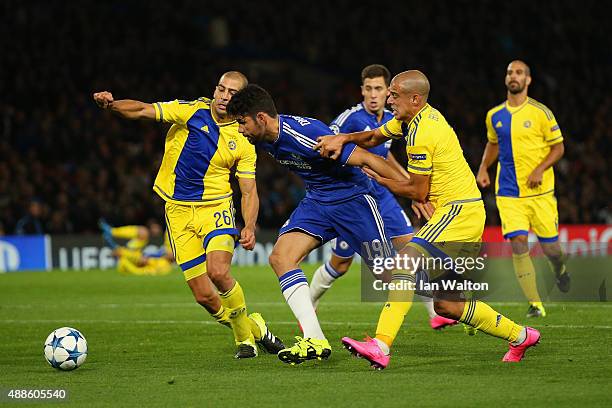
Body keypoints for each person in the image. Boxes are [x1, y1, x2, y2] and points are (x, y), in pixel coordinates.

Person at [315, 70, 540, 369]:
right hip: (462, 212)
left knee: (404, 263)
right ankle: (521, 335)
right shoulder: (410, 119)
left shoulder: (423, 133)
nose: (388, 99)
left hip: (460, 212)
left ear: (415, 98)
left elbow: (417, 191)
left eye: (394, 95)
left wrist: (383, 181)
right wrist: (344, 137)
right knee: (447, 305)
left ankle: (381, 344)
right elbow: (372, 136)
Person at [93, 71, 284, 358]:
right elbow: (144, 110)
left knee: (218, 271)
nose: (223, 96)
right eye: (221, 88)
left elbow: (248, 190)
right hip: (178, 210)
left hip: (216, 207)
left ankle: (244, 341)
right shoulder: (191, 111)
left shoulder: (244, 137)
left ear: (241, 99)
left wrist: (250, 226)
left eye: (232, 92)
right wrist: (112, 105)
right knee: (204, 296)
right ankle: (255, 328)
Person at [227, 84, 410, 365]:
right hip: (318, 203)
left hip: (353, 202)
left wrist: (412, 190)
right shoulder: (261, 138)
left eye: (242, 122)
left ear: (261, 118)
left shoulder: (307, 134)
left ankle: (455, 298)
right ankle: (315, 339)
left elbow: (369, 158)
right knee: (281, 257)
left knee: (391, 276)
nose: (240, 129)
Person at [309, 64, 455, 330]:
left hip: (383, 194)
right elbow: (328, 145)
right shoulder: (349, 119)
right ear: (361, 91)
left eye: (379, 89)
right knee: (339, 265)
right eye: (369, 89)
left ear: (388, 91)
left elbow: (385, 155)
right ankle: (308, 304)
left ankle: (435, 312)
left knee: (411, 245)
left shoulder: (392, 116)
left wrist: (410, 188)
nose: (374, 95)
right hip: (354, 198)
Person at [477, 60, 569, 318]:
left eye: (518, 73)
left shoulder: (541, 113)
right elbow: (493, 143)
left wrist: (540, 168)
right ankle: (535, 303)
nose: (513, 76)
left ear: (528, 80)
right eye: (509, 72)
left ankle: (559, 270)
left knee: (553, 251)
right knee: (518, 242)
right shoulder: (494, 115)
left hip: (540, 194)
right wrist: (484, 167)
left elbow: (559, 148)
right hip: (509, 193)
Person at [99, 219, 175, 276]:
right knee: (143, 232)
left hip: (130, 262)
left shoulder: (164, 266)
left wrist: (124, 257)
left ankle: (116, 247)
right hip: (135, 252)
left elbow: (142, 270)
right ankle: (112, 231)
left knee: (139, 258)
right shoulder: (168, 245)